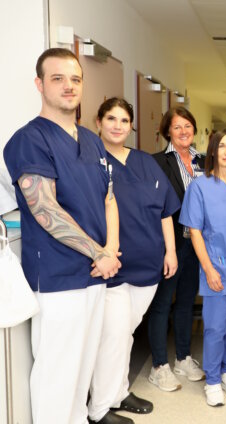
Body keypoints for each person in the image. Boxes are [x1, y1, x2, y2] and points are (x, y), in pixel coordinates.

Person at [3, 48, 121, 424]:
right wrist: (98, 253)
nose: (68, 86)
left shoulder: (91, 139)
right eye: (57, 78)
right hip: (57, 274)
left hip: (96, 272)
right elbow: (45, 209)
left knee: (82, 368)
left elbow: (109, 198)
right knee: (58, 373)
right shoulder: (30, 139)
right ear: (39, 84)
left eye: (75, 79)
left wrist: (111, 251)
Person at [87, 98, 180, 424]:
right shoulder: (88, 162)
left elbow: (165, 211)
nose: (117, 125)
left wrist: (170, 251)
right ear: (98, 121)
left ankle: (118, 392)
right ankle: (99, 409)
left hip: (148, 265)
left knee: (125, 334)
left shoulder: (145, 161)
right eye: (111, 118)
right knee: (112, 336)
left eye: (124, 120)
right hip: (111, 268)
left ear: (131, 126)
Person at [180, 129, 226, 407]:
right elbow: (195, 231)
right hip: (217, 268)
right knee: (215, 328)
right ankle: (212, 379)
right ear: (213, 150)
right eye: (222, 146)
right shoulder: (200, 187)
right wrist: (208, 269)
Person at [148, 106, 206, 391]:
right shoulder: (156, 162)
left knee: (185, 302)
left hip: (197, 245)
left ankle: (183, 357)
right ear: (167, 131)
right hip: (171, 243)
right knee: (162, 304)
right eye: (177, 127)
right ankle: (159, 365)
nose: (183, 131)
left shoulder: (204, 161)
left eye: (188, 126)